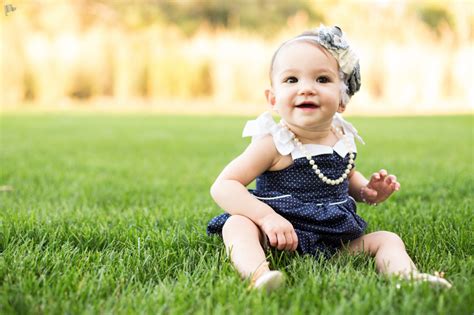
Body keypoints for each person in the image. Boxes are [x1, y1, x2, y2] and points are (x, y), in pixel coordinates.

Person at [206, 25, 452, 291]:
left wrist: (368, 190)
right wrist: (266, 218)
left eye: (322, 79)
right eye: (292, 80)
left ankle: (406, 276)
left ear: (342, 99)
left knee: (387, 239)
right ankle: (259, 275)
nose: (307, 89)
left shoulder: (341, 136)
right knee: (237, 224)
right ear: (273, 99)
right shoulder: (274, 143)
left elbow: (345, 176)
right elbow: (224, 185)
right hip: (278, 236)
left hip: (335, 241)